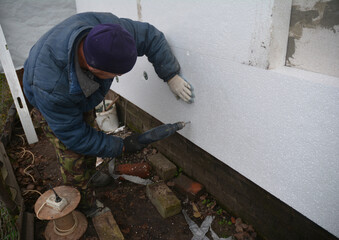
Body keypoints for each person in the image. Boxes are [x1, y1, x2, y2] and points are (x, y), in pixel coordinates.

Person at [22, 12, 194, 214]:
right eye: (116, 74)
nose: (120, 76)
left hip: (70, 84)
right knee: (74, 155)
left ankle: (91, 175)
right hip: (47, 99)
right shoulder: (52, 88)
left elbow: (150, 36)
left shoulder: (111, 31)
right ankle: (84, 205)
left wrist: (170, 75)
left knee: (90, 132)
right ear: (93, 69)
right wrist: (120, 147)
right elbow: (76, 137)